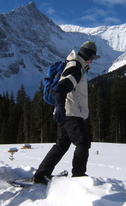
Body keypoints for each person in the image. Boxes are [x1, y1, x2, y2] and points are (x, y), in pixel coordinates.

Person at [33, 41, 100, 184]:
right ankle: (79, 177)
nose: (92, 62)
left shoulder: (75, 65)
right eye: (92, 58)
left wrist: (60, 107)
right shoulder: (76, 67)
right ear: (88, 56)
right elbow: (61, 88)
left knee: (61, 145)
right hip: (71, 113)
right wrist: (60, 106)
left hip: (67, 112)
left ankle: (41, 175)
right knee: (83, 143)